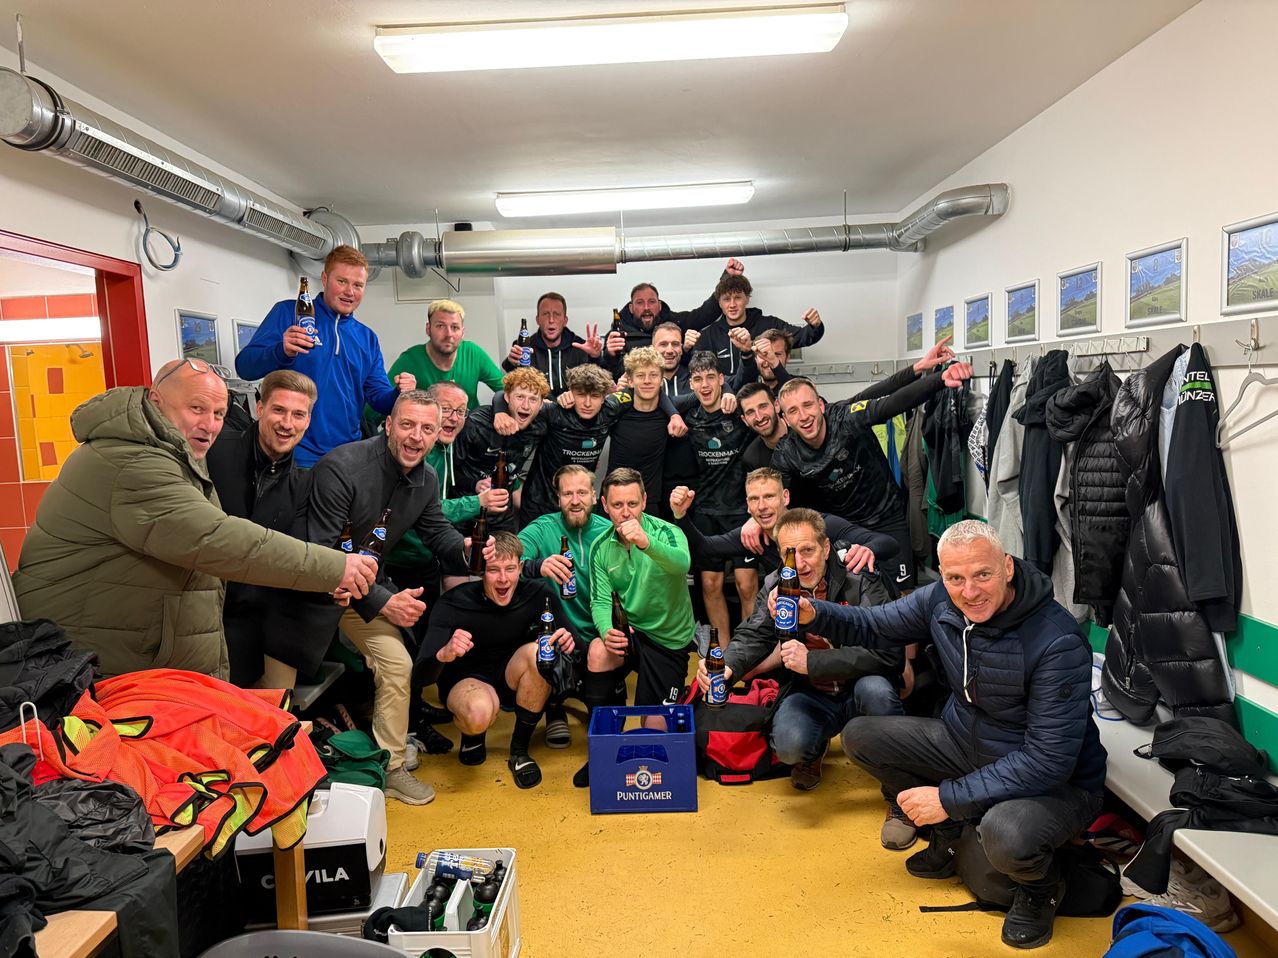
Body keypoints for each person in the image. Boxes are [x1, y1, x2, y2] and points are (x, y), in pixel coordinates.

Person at [793, 520, 1106, 949]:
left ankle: (1041, 889)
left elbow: (1049, 760)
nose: (970, 591)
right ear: (942, 576)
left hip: (1058, 782)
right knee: (861, 736)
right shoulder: (942, 600)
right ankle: (949, 837)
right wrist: (817, 613)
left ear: (1008, 569)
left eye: (983, 574)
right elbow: (877, 624)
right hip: (966, 744)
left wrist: (946, 799)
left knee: (1006, 834)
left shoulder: (1057, 641)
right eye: (955, 578)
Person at [13, 359, 373, 678]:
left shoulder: (174, 451)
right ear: (156, 401)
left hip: (144, 638)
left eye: (218, 413)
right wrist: (335, 567)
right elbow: (214, 537)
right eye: (196, 408)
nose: (209, 424)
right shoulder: (135, 463)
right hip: (92, 652)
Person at [306, 390, 495, 806]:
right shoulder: (341, 468)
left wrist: (468, 549)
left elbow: (436, 530)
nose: (417, 436)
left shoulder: (425, 478)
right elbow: (324, 554)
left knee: (398, 663)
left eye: (428, 428)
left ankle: (389, 767)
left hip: (359, 593)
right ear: (388, 425)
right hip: (305, 594)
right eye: (407, 425)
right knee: (276, 692)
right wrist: (383, 601)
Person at [700, 509, 902, 792]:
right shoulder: (775, 584)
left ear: (826, 547)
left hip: (861, 688)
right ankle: (814, 747)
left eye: (808, 551)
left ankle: (897, 789)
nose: (801, 564)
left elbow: (888, 654)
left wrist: (814, 662)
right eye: (790, 554)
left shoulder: (859, 575)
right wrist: (727, 667)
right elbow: (752, 634)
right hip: (810, 692)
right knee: (789, 746)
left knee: (878, 693)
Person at [773, 359, 972, 588]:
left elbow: (891, 404)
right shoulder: (786, 452)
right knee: (851, 594)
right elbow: (776, 496)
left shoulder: (846, 418)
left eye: (808, 405)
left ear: (821, 405)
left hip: (886, 516)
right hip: (844, 529)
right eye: (793, 411)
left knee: (903, 591)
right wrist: (755, 521)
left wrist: (939, 379)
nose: (803, 416)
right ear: (786, 419)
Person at [415, 532, 575, 789]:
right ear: (480, 571)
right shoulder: (453, 603)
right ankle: (473, 735)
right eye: (493, 570)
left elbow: (575, 644)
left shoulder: (537, 594)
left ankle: (519, 752)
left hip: (511, 674)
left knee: (539, 653)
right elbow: (420, 676)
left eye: (510, 569)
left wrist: (568, 644)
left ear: (521, 568)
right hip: (466, 680)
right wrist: (444, 653)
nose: (503, 579)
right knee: (478, 713)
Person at [237, 246, 414, 467]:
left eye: (358, 285)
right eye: (342, 281)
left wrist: (400, 392)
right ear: (324, 278)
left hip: (347, 458)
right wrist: (281, 351)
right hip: (293, 455)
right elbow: (244, 367)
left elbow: (379, 399)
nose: (350, 291)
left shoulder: (367, 338)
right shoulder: (289, 314)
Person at [575, 468, 695, 787]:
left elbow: (682, 563)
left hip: (669, 641)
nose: (625, 512)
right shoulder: (602, 546)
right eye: (617, 505)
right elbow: (600, 601)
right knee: (599, 652)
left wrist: (646, 543)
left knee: (653, 734)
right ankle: (603, 747)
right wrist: (606, 630)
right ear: (604, 504)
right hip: (632, 633)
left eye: (632, 503)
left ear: (643, 501)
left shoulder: (667, 532)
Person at [206, 369, 320, 687]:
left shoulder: (302, 485)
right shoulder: (214, 452)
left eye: (298, 414)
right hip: (197, 609)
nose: (287, 423)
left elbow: (292, 557)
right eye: (279, 410)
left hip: (249, 620)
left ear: (308, 421)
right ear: (260, 409)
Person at [507, 363, 686, 526]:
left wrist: (674, 415)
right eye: (580, 395)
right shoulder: (554, 411)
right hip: (540, 502)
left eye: (594, 396)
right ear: (571, 392)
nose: (587, 403)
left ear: (604, 397)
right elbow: (504, 397)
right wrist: (500, 412)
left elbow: (650, 393)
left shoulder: (612, 407)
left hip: (580, 504)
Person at [518, 464, 614, 747]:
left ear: (595, 496)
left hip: (598, 633)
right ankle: (554, 706)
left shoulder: (609, 531)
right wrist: (537, 565)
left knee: (608, 708)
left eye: (582, 492)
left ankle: (596, 696)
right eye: (567, 493)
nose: (575, 500)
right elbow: (506, 561)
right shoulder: (543, 528)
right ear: (557, 498)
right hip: (555, 632)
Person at [669, 467, 898, 580]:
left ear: (785, 497)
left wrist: (868, 549)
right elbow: (706, 547)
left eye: (769, 497)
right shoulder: (752, 535)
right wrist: (681, 515)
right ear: (747, 506)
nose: (762, 506)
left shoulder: (818, 524)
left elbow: (888, 543)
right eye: (754, 500)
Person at [680, 350, 760, 641]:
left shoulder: (737, 413)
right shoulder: (686, 418)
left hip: (741, 513)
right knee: (711, 586)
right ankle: (723, 655)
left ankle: (749, 652)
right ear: (690, 383)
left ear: (721, 379)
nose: (705, 385)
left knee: (746, 584)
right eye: (698, 379)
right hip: (705, 513)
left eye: (711, 378)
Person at [450, 367, 550, 530]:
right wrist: (475, 484)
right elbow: (450, 473)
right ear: (507, 397)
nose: (525, 405)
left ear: (541, 405)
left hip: (503, 516)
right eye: (519, 397)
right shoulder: (476, 424)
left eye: (533, 399)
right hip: (466, 515)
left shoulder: (540, 426)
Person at [605, 259, 743, 365]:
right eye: (640, 303)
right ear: (631, 308)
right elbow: (610, 371)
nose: (646, 307)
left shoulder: (675, 322)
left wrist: (727, 277)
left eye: (651, 302)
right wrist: (608, 354)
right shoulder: (619, 333)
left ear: (659, 305)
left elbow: (705, 314)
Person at [604, 346, 689, 517]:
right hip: (613, 503)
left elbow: (708, 392)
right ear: (630, 380)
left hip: (649, 505)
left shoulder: (670, 407)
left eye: (653, 375)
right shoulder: (617, 408)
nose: (647, 381)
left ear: (661, 379)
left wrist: (728, 393)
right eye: (641, 376)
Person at [381, 299, 505, 413]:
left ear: (462, 332)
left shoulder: (473, 353)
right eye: (440, 326)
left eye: (455, 327)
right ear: (428, 329)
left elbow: (507, 390)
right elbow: (375, 408)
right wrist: (398, 394)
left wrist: (500, 411)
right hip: (427, 432)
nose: (448, 334)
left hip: (468, 431)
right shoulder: (410, 360)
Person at [692, 274, 826, 378]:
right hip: (729, 402)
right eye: (726, 299)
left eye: (738, 298)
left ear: (747, 298)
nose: (732, 304)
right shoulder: (709, 335)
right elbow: (696, 369)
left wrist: (815, 326)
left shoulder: (769, 324)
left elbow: (803, 337)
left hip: (767, 397)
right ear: (719, 303)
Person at [501, 292, 605, 396]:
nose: (551, 320)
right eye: (545, 314)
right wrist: (511, 363)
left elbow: (600, 384)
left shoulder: (580, 347)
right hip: (538, 409)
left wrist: (595, 357)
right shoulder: (525, 347)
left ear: (565, 320)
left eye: (557, 314)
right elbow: (512, 385)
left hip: (572, 409)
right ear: (537, 320)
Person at [738, 382, 788, 471]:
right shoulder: (752, 459)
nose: (759, 417)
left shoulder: (802, 431)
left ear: (776, 405)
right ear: (744, 420)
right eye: (750, 412)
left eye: (763, 406)